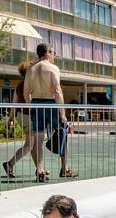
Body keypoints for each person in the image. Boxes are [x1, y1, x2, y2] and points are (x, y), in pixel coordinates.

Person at [23, 43, 77, 182]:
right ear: (47, 53)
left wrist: (31, 106)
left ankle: (40, 170)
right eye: (53, 52)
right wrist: (63, 113)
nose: (54, 56)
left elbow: (25, 92)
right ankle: (64, 169)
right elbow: (57, 91)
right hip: (51, 103)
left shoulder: (31, 70)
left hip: (36, 103)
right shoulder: (53, 68)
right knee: (63, 132)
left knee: (39, 139)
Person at [1, 62, 42, 180]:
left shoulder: (20, 85)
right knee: (30, 145)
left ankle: (39, 169)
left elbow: (14, 103)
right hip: (29, 117)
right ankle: (9, 164)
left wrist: (11, 118)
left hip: (21, 116)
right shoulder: (33, 85)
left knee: (33, 145)